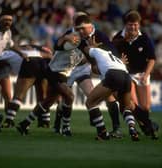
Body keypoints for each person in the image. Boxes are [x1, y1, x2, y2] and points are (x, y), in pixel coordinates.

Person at [53, 12, 122, 138]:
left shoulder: (98, 35)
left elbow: (108, 50)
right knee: (65, 98)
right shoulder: (70, 33)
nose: (77, 26)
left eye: (80, 23)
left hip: (82, 70)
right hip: (68, 70)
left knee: (92, 96)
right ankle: (58, 125)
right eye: (75, 22)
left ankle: (114, 127)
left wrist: (115, 60)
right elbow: (57, 47)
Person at [112, 10, 158, 139]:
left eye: (136, 24)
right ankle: (147, 128)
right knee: (133, 104)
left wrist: (146, 74)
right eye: (130, 24)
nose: (133, 27)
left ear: (139, 25)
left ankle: (145, 126)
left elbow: (152, 59)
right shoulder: (118, 39)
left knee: (146, 106)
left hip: (143, 74)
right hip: (127, 75)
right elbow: (110, 57)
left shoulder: (144, 38)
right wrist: (119, 61)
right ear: (125, 25)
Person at [82, 37, 139, 141]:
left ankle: (102, 132)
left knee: (90, 102)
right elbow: (98, 70)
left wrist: (92, 47)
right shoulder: (115, 58)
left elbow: (86, 50)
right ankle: (132, 129)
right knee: (125, 106)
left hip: (113, 75)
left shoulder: (97, 51)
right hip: (126, 77)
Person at [2, 44, 52, 128]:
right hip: (44, 61)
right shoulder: (37, 48)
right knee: (42, 96)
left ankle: (8, 120)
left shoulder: (7, 52)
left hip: (30, 61)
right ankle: (45, 121)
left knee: (19, 95)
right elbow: (50, 54)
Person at [0, 8, 27, 132]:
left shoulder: (8, 32)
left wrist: (22, 53)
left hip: (1, 65)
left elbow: (11, 45)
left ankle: (8, 121)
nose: (8, 22)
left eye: (10, 20)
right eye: (6, 19)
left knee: (8, 95)